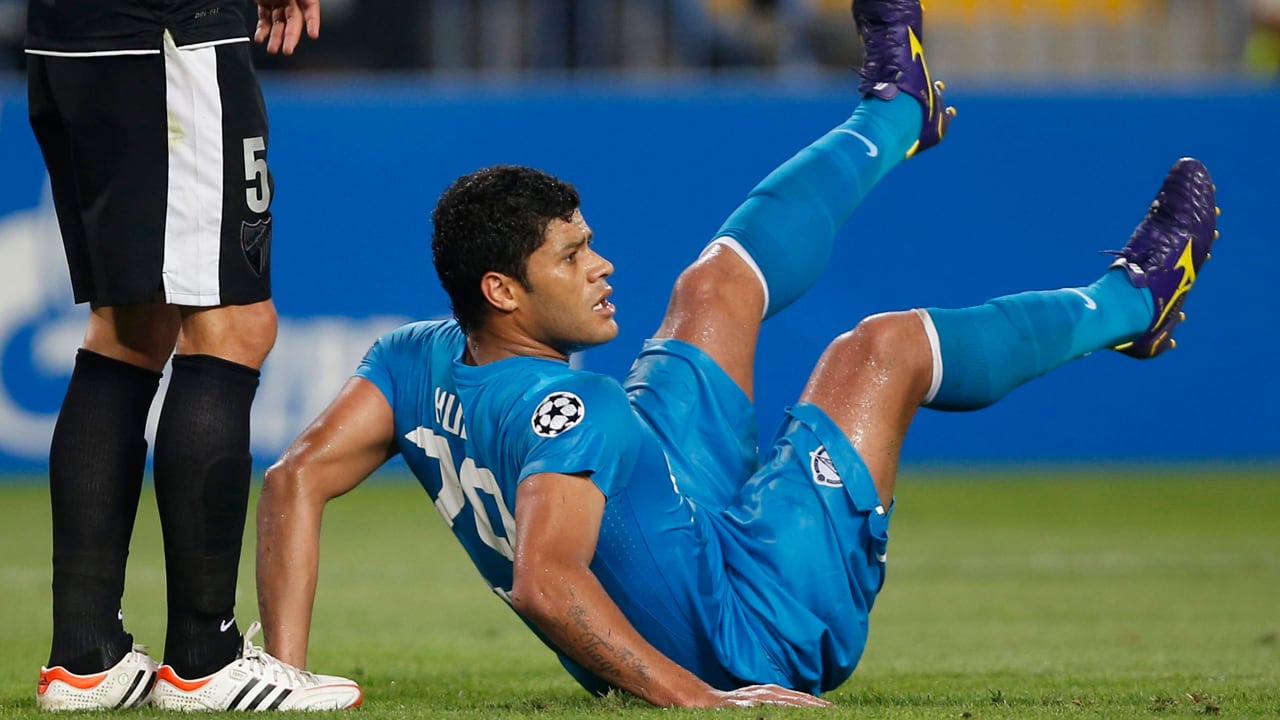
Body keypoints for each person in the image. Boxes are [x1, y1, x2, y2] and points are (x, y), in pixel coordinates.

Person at [256, 0, 1219, 709]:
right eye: (572, 256)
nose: (602, 265)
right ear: (503, 291)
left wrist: (289, 676)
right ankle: (1130, 302)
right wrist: (703, 701)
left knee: (714, 283)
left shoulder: (413, 359)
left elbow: (293, 479)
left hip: (677, 503)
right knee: (877, 351)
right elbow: (547, 583)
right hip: (749, 625)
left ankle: (897, 108)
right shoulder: (572, 413)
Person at [28, 0, 362, 711]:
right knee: (235, 325)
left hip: (74, 38)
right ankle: (204, 660)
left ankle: (85, 658)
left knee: (131, 324)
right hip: (170, 34)